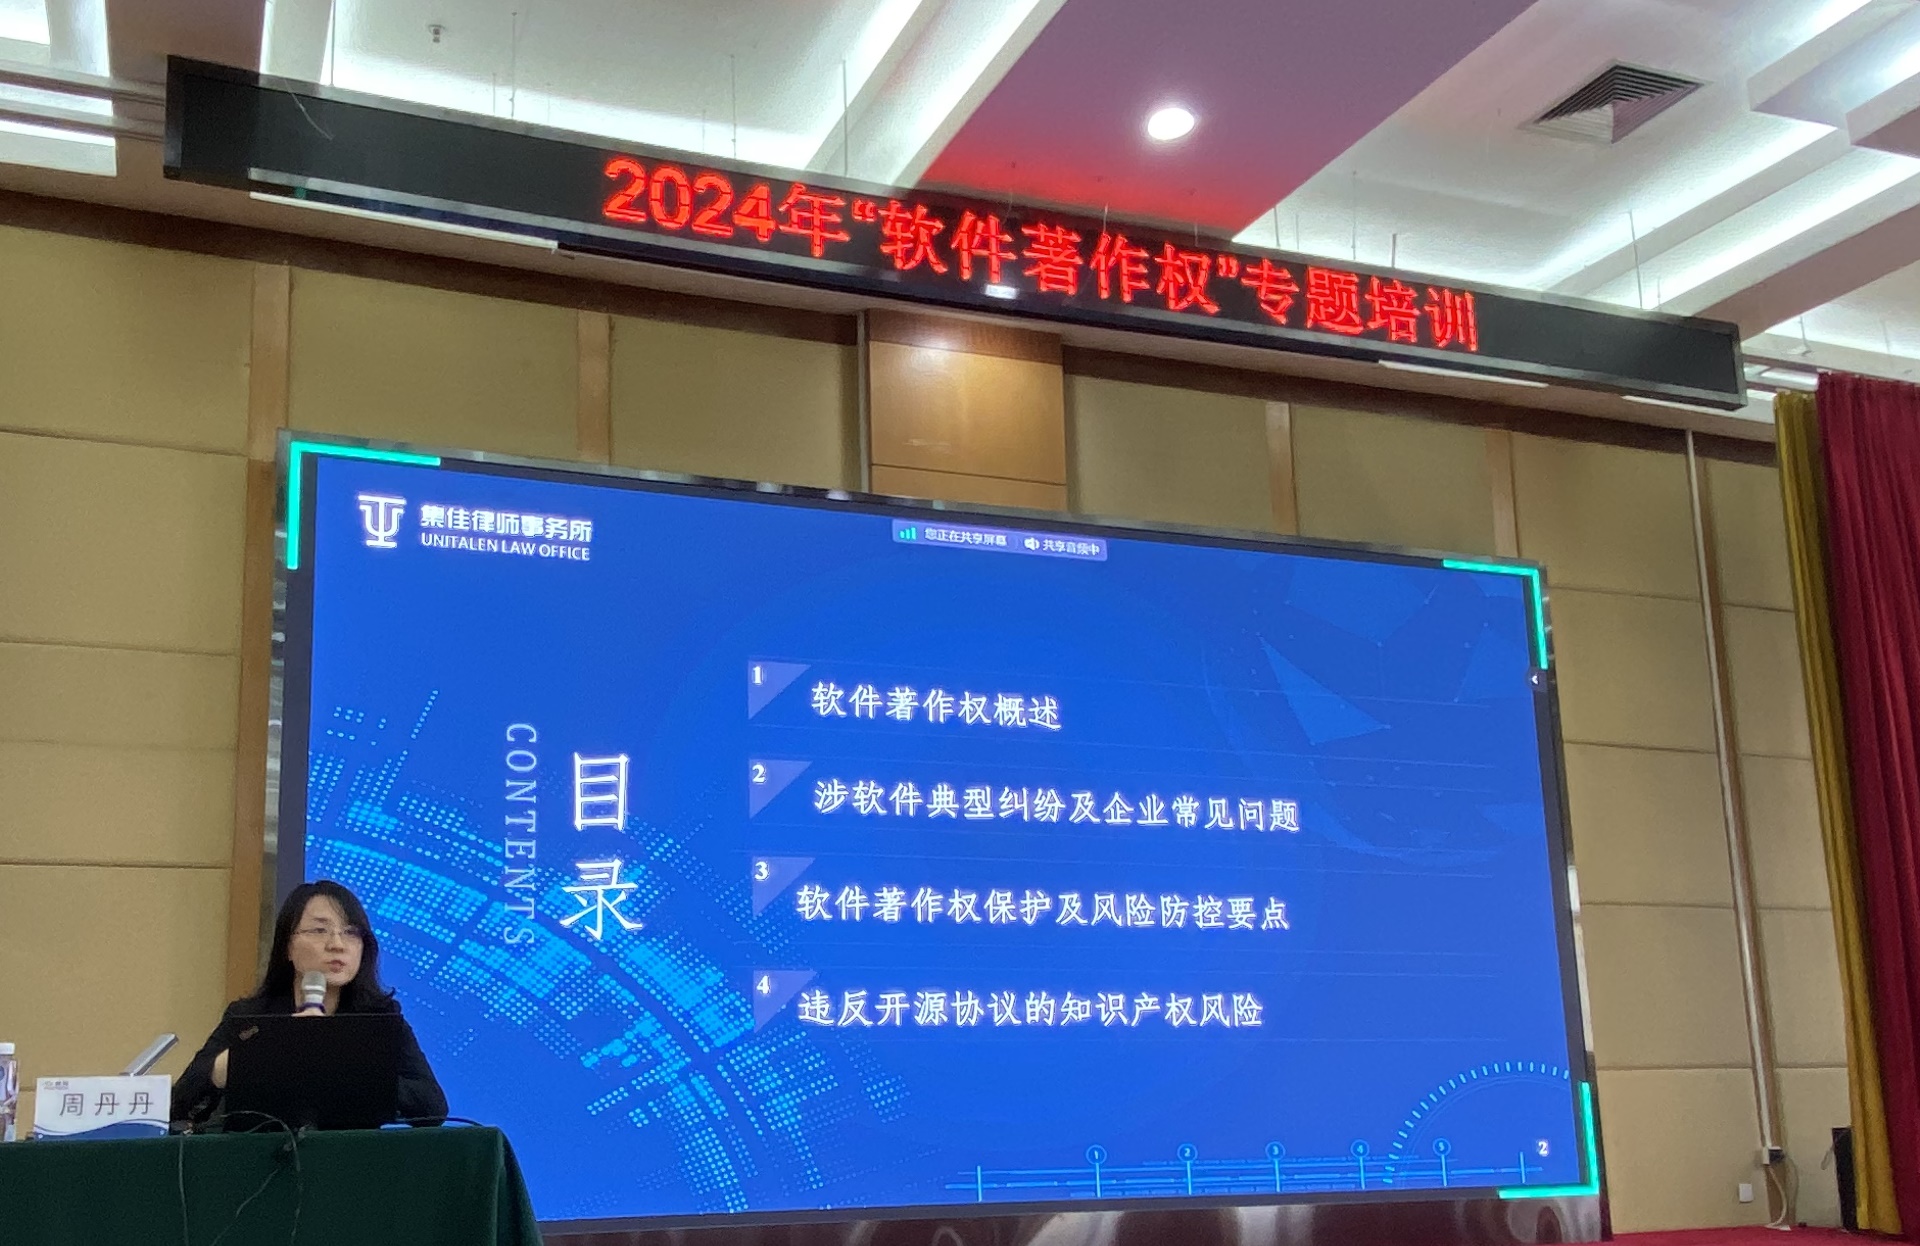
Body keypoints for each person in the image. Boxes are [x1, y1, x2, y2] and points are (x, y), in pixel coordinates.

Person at [172, 880, 448, 1127]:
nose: (337, 944)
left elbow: (433, 1108)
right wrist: (247, 1058)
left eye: (351, 932)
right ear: (288, 947)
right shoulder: (250, 1017)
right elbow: (176, 1106)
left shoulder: (379, 1018)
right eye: (319, 930)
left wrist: (346, 1064)